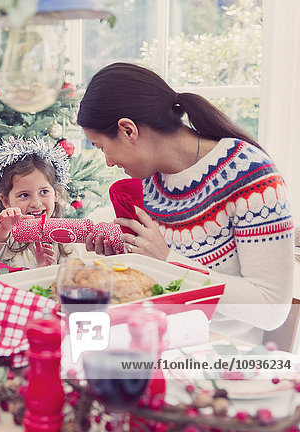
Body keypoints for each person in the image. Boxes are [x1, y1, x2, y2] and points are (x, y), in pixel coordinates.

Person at [78, 62, 295, 344]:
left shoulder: (251, 178)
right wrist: (123, 259)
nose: (107, 162)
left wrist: (168, 261)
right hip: (160, 339)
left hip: (223, 354)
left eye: (102, 147)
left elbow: (271, 309)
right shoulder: (150, 181)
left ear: (128, 130)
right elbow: (163, 286)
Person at [0, 136, 72, 268]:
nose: (36, 203)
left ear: (55, 195)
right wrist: (3, 229)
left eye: (44, 192)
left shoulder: (64, 234)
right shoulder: (7, 233)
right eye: (24, 195)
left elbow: (72, 275)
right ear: (6, 201)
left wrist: (47, 268)